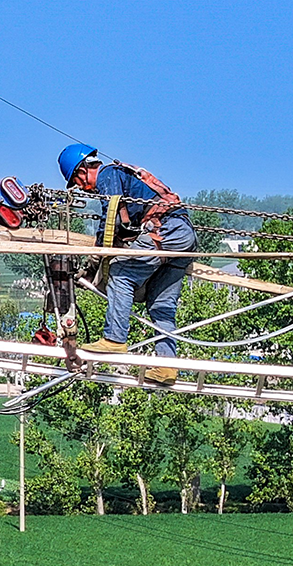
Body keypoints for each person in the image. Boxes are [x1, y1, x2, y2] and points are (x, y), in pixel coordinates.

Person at [58, 143, 196, 386]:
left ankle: (114, 339)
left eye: (77, 182)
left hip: (166, 231)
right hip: (184, 237)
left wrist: (94, 261)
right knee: (160, 304)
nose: (81, 187)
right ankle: (167, 367)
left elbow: (110, 218)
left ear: (82, 170)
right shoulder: (123, 177)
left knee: (121, 273)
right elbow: (124, 227)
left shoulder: (108, 175)